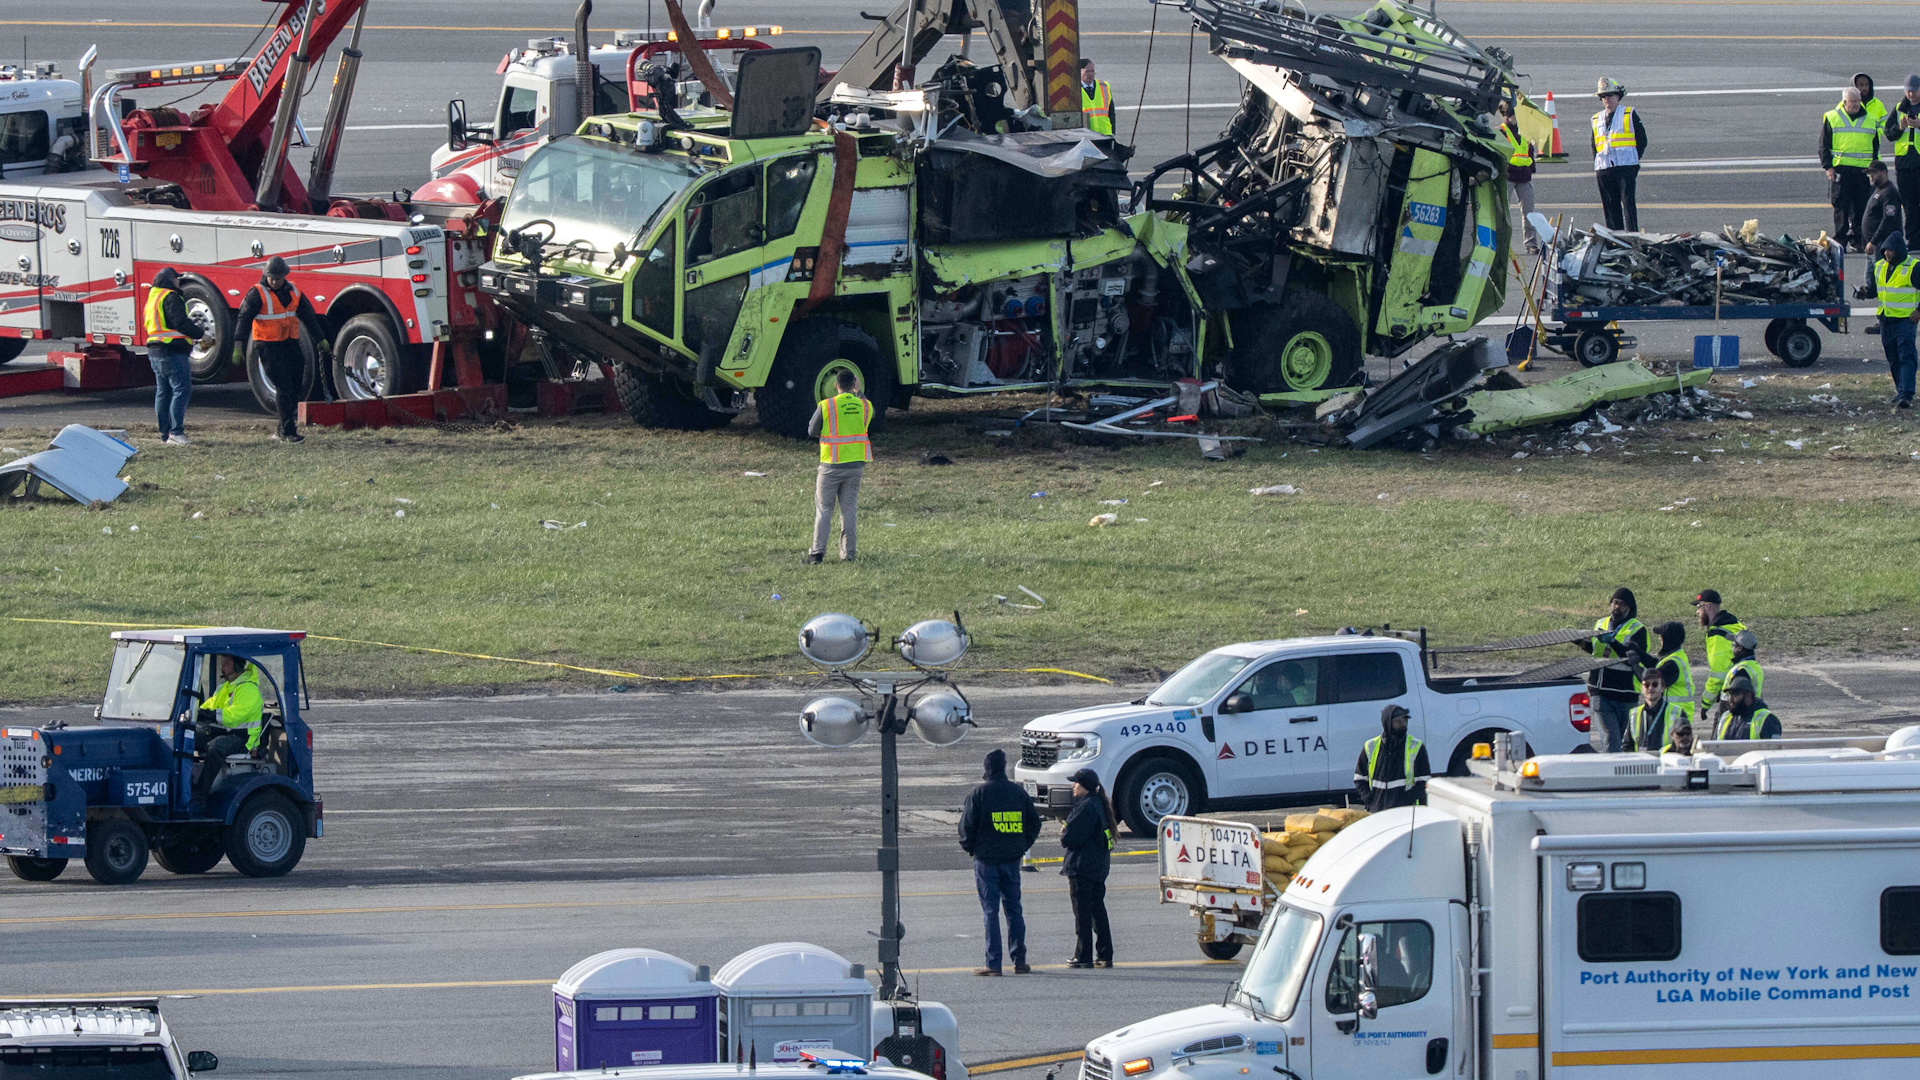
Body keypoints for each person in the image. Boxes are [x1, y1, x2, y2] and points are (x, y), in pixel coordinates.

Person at [958, 748, 1040, 975]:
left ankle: (993, 963)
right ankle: (1019, 960)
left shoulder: (979, 794)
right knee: (1014, 910)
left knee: (990, 911)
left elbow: (966, 828)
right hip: (1012, 859)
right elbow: (1034, 823)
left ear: (987, 768)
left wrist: (974, 849)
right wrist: (1021, 846)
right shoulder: (1018, 793)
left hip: (987, 860)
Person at [232, 255, 330, 443]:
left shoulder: (294, 291)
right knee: (284, 386)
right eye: (272, 277)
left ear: (285, 276)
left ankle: (281, 430)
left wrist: (320, 339)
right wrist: (238, 345)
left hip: (289, 343)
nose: (275, 281)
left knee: (296, 385)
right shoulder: (256, 293)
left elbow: (309, 316)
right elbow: (243, 319)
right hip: (268, 346)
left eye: (278, 277)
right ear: (266, 275)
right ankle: (288, 431)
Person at [805, 369, 872, 563]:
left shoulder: (827, 405)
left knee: (825, 509)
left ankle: (817, 553)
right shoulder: (864, 405)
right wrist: (859, 393)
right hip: (856, 466)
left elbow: (811, 430)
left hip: (831, 465)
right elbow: (868, 414)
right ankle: (848, 554)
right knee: (849, 510)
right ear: (854, 384)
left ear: (836, 385)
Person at [1059, 767, 1115, 969]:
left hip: (1082, 867)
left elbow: (1069, 838)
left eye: (1076, 783)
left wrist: (1065, 830)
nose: (1073, 786)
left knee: (1082, 914)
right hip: (1097, 867)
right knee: (1097, 911)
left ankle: (1083, 956)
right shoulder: (1099, 804)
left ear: (1085, 787)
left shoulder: (1085, 807)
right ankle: (1104, 953)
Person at [143, 267, 204, 446]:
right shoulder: (171, 296)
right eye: (177, 279)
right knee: (181, 390)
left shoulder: (153, 298)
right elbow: (181, 323)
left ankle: (165, 434)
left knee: (163, 392)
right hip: (172, 352)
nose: (179, 282)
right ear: (170, 280)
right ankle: (176, 433)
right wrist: (200, 332)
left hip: (154, 352)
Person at [1588, 587, 1652, 752]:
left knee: (1625, 743)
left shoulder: (1638, 630)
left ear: (1629, 608)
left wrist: (1613, 641)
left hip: (1625, 695)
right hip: (1600, 692)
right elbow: (1596, 651)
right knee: (1611, 741)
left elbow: (1633, 658)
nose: (1617, 607)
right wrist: (1579, 641)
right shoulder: (1600, 623)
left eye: (1622, 604)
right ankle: (1609, 774)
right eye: (1615, 603)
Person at [195, 654, 264, 793]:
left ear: (238, 665)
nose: (222, 667)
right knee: (188, 736)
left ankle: (201, 792)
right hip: (223, 733)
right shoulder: (224, 687)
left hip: (243, 739)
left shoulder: (248, 689)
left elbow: (234, 716)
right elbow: (210, 704)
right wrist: (199, 711)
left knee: (216, 748)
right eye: (222, 663)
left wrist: (213, 715)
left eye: (226, 664)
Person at [1823, 88, 1881, 251]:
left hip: (1863, 171)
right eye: (1852, 101)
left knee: (1861, 207)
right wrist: (1828, 167)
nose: (1855, 104)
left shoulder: (1870, 119)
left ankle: (1858, 240)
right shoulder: (1832, 117)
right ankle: (1840, 241)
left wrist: (1874, 168)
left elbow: (1875, 146)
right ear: (1844, 102)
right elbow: (1824, 144)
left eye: (1857, 100)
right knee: (1841, 207)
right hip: (1841, 170)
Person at [1869, 231, 1918, 408]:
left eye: (1890, 250)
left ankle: (1906, 394)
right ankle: (1900, 391)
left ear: (1899, 250)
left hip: (1905, 320)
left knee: (1907, 356)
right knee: (1893, 357)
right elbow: (1876, 289)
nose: (1887, 253)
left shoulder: (1913, 267)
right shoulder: (1881, 266)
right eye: (1885, 250)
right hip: (1886, 320)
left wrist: (1919, 311)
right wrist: (1864, 292)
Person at [1591, 78, 1647, 231]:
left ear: (1618, 96)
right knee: (1609, 205)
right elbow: (1594, 145)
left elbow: (1642, 139)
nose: (1607, 99)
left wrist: (1633, 159)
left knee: (1628, 203)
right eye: (1603, 96)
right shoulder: (1596, 119)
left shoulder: (1628, 114)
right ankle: (1615, 237)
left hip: (1626, 166)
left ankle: (1632, 236)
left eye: (1610, 95)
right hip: (1604, 167)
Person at [1353, 704, 1430, 813]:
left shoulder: (1416, 746)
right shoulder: (1370, 746)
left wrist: (1405, 801)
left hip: (1406, 812)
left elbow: (1423, 781)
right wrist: (1370, 800)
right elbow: (1359, 778)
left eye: (1405, 720)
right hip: (1377, 812)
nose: (1403, 724)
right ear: (1387, 723)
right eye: (1398, 721)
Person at [1497, 100, 1541, 253]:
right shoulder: (1501, 132)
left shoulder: (1525, 131)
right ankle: (1501, 245)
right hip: (1508, 176)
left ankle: (1531, 243)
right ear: (1507, 117)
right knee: (1502, 212)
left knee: (1529, 211)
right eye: (1513, 115)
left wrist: (1531, 168)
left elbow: (1530, 151)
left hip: (1524, 176)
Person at [1694, 589, 1748, 712]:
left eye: (1698, 607)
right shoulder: (1734, 625)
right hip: (1749, 691)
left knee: (1722, 730)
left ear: (1707, 606)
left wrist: (1706, 703)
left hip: (1733, 696)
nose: (1697, 612)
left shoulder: (1717, 635)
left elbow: (1718, 675)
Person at [1889, 75, 1920, 246]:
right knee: (1909, 205)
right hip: (1904, 165)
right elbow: (1889, 134)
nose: (1911, 94)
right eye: (1908, 91)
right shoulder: (1899, 109)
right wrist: (1900, 128)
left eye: (1914, 90)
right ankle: (1914, 239)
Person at [1651, 621, 1697, 729]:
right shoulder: (1677, 656)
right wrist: (1640, 654)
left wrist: (1635, 664)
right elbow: (1655, 665)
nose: (1659, 639)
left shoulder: (1672, 664)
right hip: (1678, 714)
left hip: (1675, 717)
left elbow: (1651, 680)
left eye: (1661, 636)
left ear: (1668, 640)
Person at [1622, 667, 1677, 754]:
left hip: (1666, 763)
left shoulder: (1676, 712)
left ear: (1662, 688)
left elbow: (1684, 742)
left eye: (1655, 684)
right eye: (1646, 685)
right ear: (1642, 689)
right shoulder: (1634, 713)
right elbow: (1627, 745)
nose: (1650, 688)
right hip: (1641, 763)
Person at [1714, 674, 1781, 742]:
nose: (1731, 699)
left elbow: (1772, 749)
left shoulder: (1767, 719)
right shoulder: (1726, 717)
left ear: (1748, 697)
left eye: (1736, 694)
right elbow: (1718, 746)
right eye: (1730, 694)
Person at [1865, 161, 1905, 259]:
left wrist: (1874, 241)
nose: (1871, 176)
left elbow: (1888, 220)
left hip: (1883, 245)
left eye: (1873, 173)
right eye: (1869, 173)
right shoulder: (1879, 189)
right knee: (1871, 274)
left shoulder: (1889, 193)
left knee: (1880, 273)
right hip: (1874, 245)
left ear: (1884, 172)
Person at [1079, 59, 1114, 138]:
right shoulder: (1074, 90)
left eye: (1092, 71)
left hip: (1105, 135)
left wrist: (1113, 132)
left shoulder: (1104, 86)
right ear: (1079, 72)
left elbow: (1111, 113)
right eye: (1087, 72)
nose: (1090, 74)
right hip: (1086, 137)